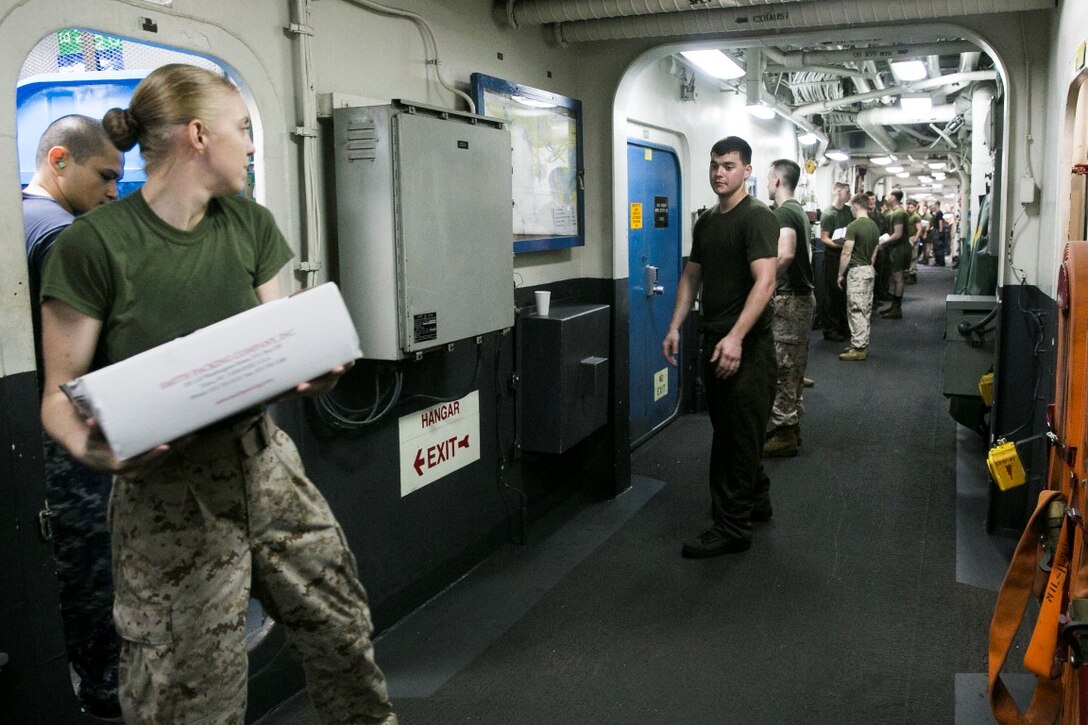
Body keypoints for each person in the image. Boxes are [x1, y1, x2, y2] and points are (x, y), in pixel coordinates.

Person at [38, 64, 397, 724]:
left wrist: (315, 368)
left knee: (342, 633)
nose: (252, 144)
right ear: (198, 135)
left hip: (265, 461)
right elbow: (56, 401)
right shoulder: (93, 246)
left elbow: (281, 338)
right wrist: (93, 449)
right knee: (188, 692)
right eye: (242, 128)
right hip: (166, 492)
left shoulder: (248, 225)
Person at [23, 114, 124, 721]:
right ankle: (105, 690)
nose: (114, 191)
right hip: (71, 427)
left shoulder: (22, 218)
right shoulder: (59, 236)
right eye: (105, 176)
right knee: (90, 559)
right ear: (59, 160)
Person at [662, 136, 778, 558]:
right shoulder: (707, 221)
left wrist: (736, 337)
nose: (718, 172)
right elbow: (692, 275)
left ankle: (732, 526)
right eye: (714, 165)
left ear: (747, 170)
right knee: (733, 430)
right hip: (715, 341)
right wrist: (675, 325)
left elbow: (765, 281)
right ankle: (757, 501)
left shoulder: (757, 217)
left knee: (734, 439)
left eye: (728, 165)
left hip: (747, 348)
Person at [762, 159, 813, 458]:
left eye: (769, 179)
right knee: (793, 366)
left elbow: (787, 254)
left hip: (790, 300)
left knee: (782, 367)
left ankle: (783, 432)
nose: (768, 184)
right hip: (801, 299)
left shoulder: (783, 212)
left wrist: (762, 284)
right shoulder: (799, 212)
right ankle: (789, 427)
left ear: (778, 181)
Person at [837, 194, 882, 361]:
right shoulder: (874, 226)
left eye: (851, 207)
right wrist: (869, 265)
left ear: (856, 206)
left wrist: (840, 274)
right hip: (869, 269)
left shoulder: (854, 226)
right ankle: (860, 341)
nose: (851, 209)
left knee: (856, 308)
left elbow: (846, 252)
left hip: (857, 271)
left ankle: (858, 348)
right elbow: (875, 250)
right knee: (865, 308)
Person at [818, 182, 852, 341]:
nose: (850, 195)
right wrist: (840, 245)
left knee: (843, 293)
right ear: (838, 192)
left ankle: (842, 325)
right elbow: (824, 238)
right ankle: (830, 328)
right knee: (831, 293)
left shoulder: (848, 211)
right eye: (847, 192)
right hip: (833, 257)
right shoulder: (828, 214)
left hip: (847, 257)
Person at [878, 189, 909, 319]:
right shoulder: (896, 212)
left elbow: (897, 234)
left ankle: (897, 308)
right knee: (897, 278)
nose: (886, 196)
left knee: (898, 278)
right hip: (897, 248)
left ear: (894, 198)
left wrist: (882, 243)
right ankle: (894, 306)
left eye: (889, 194)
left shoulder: (898, 213)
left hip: (899, 248)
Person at [904, 198, 922, 284]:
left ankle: (912, 275)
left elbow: (919, 229)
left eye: (911, 207)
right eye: (909, 207)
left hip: (913, 238)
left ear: (915, 208)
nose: (909, 209)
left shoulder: (916, 216)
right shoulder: (907, 215)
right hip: (907, 239)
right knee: (908, 257)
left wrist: (916, 238)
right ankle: (908, 274)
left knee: (913, 257)